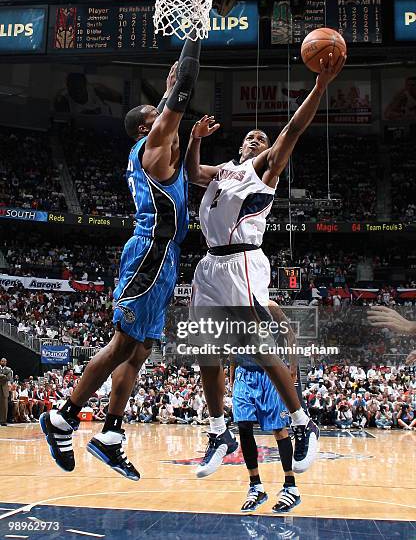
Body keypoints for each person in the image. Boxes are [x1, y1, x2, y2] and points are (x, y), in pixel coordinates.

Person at [40, 35, 202, 480]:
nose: (165, 119)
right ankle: (63, 418)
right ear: (143, 130)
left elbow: (175, 97)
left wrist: (169, 86)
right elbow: (183, 91)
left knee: (140, 349)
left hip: (164, 257)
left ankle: (111, 434)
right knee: (121, 345)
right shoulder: (152, 151)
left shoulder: (157, 148)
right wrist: (193, 32)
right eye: (157, 117)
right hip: (150, 251)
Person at [185, 52, 345, 478]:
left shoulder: (264, 171)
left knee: (256, 342)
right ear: (240, 145)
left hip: (242, 261)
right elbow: (190, 172)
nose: (257, 140)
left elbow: (292, 129)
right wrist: (195, 137)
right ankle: (219, 431)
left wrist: (319, 88)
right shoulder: (223, 172)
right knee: (205, 348)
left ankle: (301, 422)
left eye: (262, 138)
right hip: (210, 264)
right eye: (251, 137)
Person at [230, 302, 301, 513]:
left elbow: (290, 337)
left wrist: (292, 371)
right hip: (244, 373)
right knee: (243, 426)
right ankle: (256, 486)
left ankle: (291, 487)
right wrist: (232, 375)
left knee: (279, 429)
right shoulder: (233, 305)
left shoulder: (270, 305)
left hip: (270, 373)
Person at [0, 358, 13, 426]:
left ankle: (3, 421)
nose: (3, 362)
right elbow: (4, 377)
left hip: (4, 389)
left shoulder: (9, 369)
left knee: (4, 406)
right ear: (0, 361)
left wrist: (2, 376)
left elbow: (8, 378)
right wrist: (3, 376)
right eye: (2, 361)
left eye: (5, 361)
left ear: (6, 362)